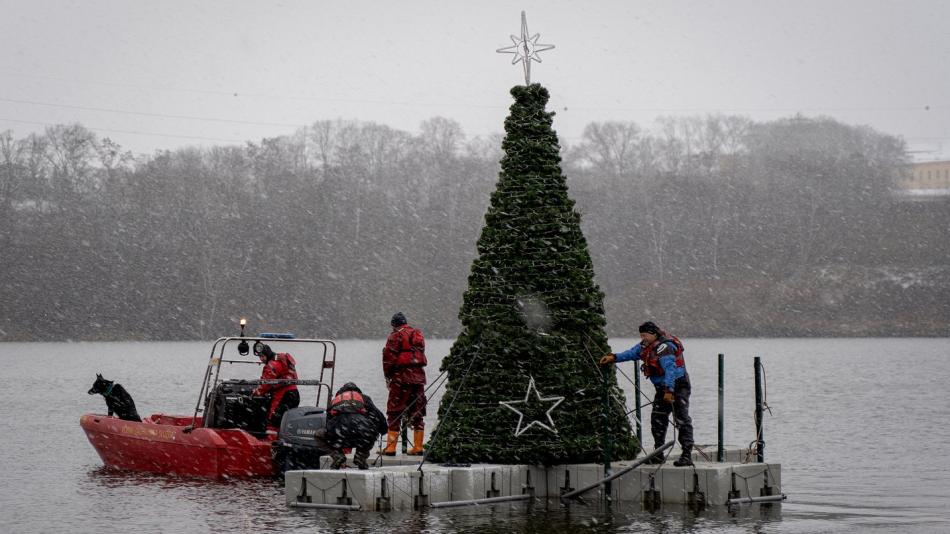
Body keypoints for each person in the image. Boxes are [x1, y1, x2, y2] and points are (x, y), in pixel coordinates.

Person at [599, 321, 695, 467]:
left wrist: (669, 391)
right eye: (641, 335)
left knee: (681, 419)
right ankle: (658, 454)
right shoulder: (645, 345)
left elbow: (670, 370)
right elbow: (632, 353)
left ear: (653, 334)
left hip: (677, 385)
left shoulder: (665, 347)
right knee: (657, 419)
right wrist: (614, 357)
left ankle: (687, 455)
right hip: (662, 388)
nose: (642, 338)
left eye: (644, 335)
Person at [381, 312, 428, 456]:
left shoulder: (395, 336)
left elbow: (388, 359)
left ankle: (390, 448)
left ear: (394, 324)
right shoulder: (417, 334)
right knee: (418, 411)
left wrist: (388, 377)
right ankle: (418, 447)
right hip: (418, 379)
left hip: (401, 379)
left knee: (394, 411)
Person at [312, 382, 388, 469]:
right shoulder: (364, 398)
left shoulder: (335, 401)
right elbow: (379, 417)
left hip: (339, 435)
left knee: (319, 435)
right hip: (360, 434)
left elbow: (328, 424)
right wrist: (383, 430)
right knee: (372, 430)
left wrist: (337, 442)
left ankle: (337, 456)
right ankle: (361, 456)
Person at [251, 342, 300, 432]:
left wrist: (255, 393)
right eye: (260, 357)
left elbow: (265, 385)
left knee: (273, 420)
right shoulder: (282, 361)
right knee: (287, 420)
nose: (261, 359)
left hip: (283, 395)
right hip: (294, 393)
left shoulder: (271, 365)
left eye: (262, 356)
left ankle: (271, 442)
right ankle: (286, 438)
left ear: (267, 354)